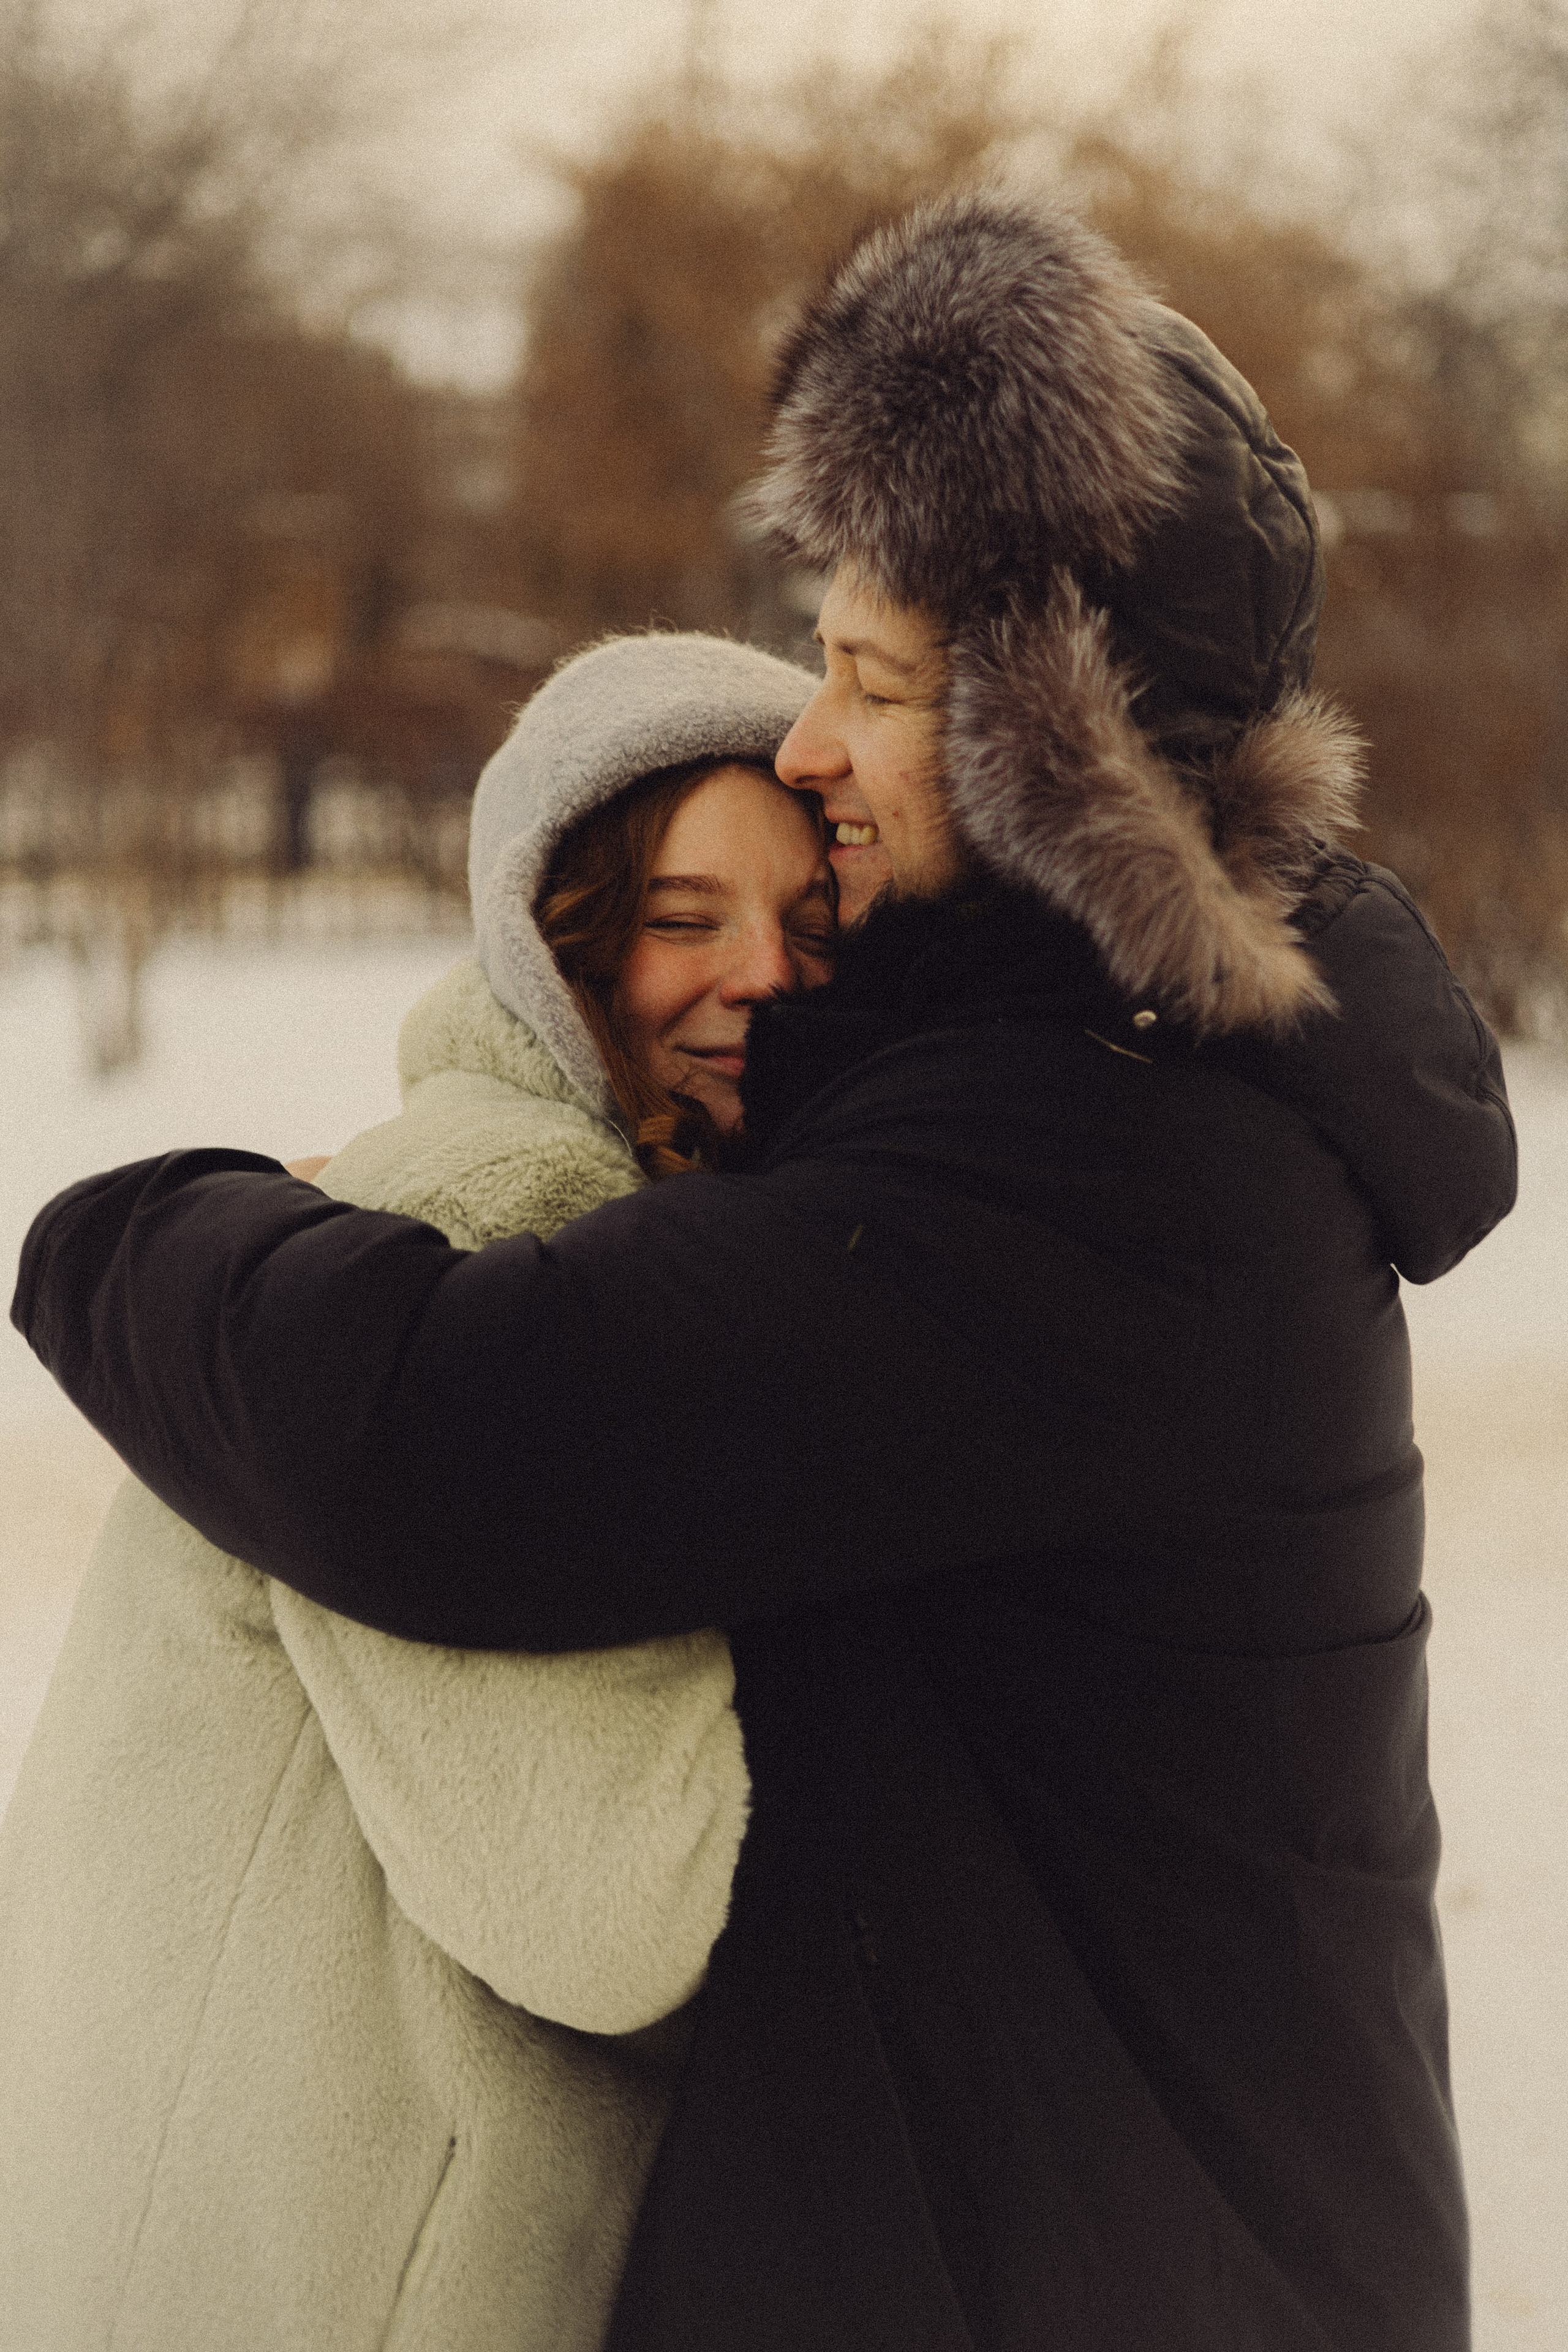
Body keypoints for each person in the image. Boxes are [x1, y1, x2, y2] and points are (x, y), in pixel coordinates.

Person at [13, 190, 1520, 2351]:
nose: (811, 745)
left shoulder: (1101, 1158)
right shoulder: (1116, 1072)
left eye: (875, 686)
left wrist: (144, 1222)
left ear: (1057, 745)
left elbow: (436, 1443)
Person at [0, 633, 829, 2352]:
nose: (764, 971)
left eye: (812, 921)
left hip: (178, 2220)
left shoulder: (458, 1201)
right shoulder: (503, 1225)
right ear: (554, 940)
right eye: (682, 918)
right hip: (340, 2274)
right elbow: (611, 1910)